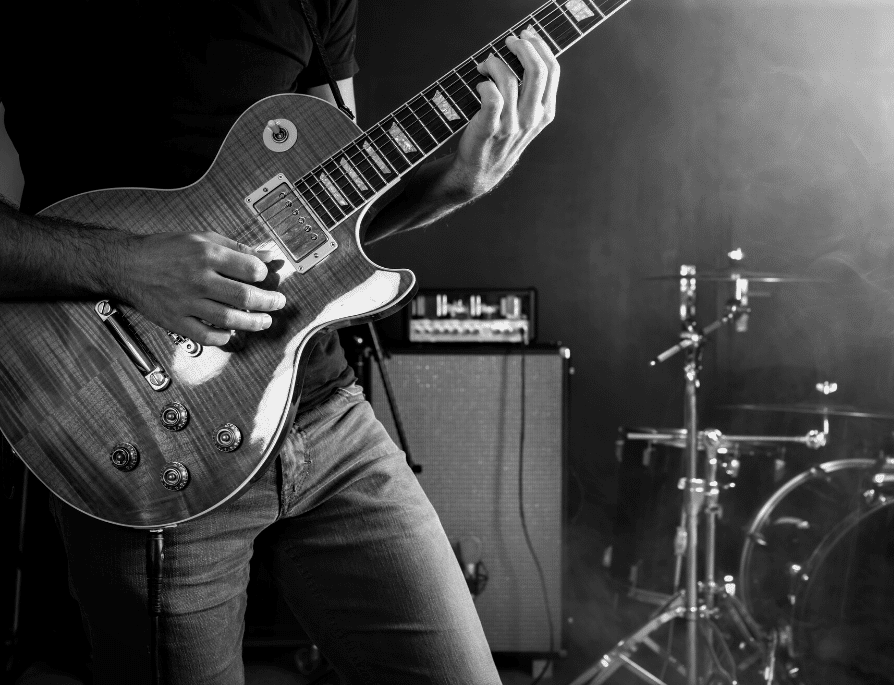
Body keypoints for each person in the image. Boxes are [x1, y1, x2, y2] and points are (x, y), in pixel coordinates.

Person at [0, 1, 559, 683]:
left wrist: (455, 181)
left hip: (323, 417)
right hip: (141, 427)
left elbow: (335, 220)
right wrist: (126, 264)